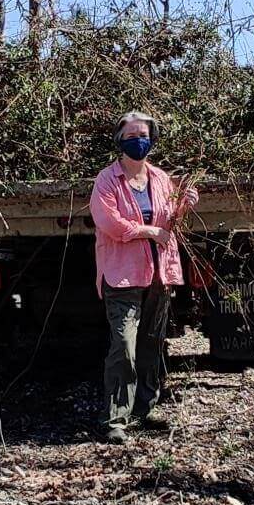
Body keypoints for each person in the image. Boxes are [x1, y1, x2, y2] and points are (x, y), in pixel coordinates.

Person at [89, 110, 196, 445]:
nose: (139, 141)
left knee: (152, 344)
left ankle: (146, 409)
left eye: (144, 135)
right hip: (122, 275)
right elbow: (109, 222)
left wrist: (185, 205)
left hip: (158, 273)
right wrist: (148, 230)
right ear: (120, 140)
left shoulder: (161, 179)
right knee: (124, 345)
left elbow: (169, 222)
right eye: (132, 135)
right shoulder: (107, 180)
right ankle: (115, 419)